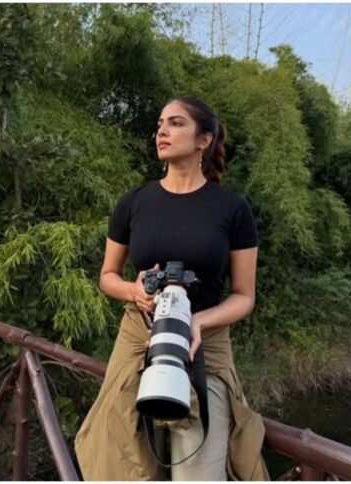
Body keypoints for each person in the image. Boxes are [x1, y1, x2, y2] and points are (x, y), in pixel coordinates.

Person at [74, 96, 270, 481]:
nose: (161, 130)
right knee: (119, 457)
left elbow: (244, 295)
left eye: (176, 123)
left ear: (204, 140)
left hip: (206, 341)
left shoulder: (232, 208)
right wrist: (134, 291)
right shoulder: (134, 202)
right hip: (138, 334)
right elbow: (107, 275)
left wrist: (197, 321)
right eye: (161, 123)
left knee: (199, 464)